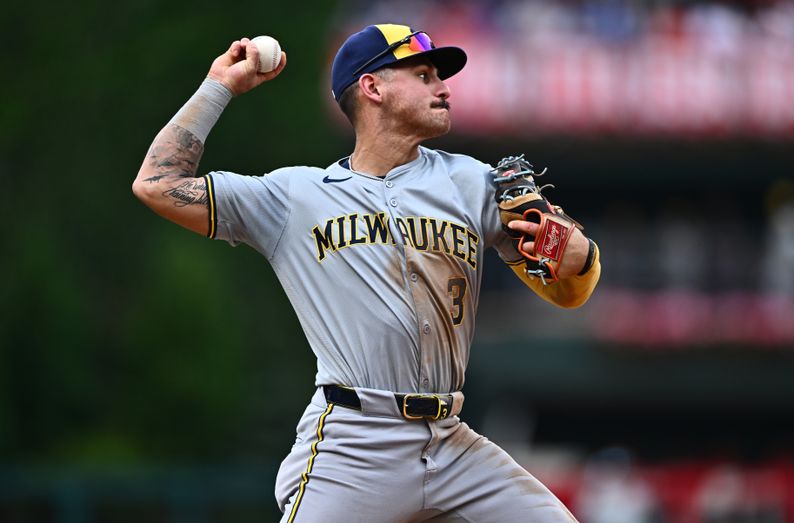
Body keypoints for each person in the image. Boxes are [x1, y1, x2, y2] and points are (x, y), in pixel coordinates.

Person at [133, 23, 600, 523]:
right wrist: (218, 86)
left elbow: (569, 292)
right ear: (372, 87)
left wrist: (578, 257)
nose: (442, 87)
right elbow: (157, 185)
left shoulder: (473, 182)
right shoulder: (295, 197)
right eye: (422, 75)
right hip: (354, 444)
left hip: (451, 441)